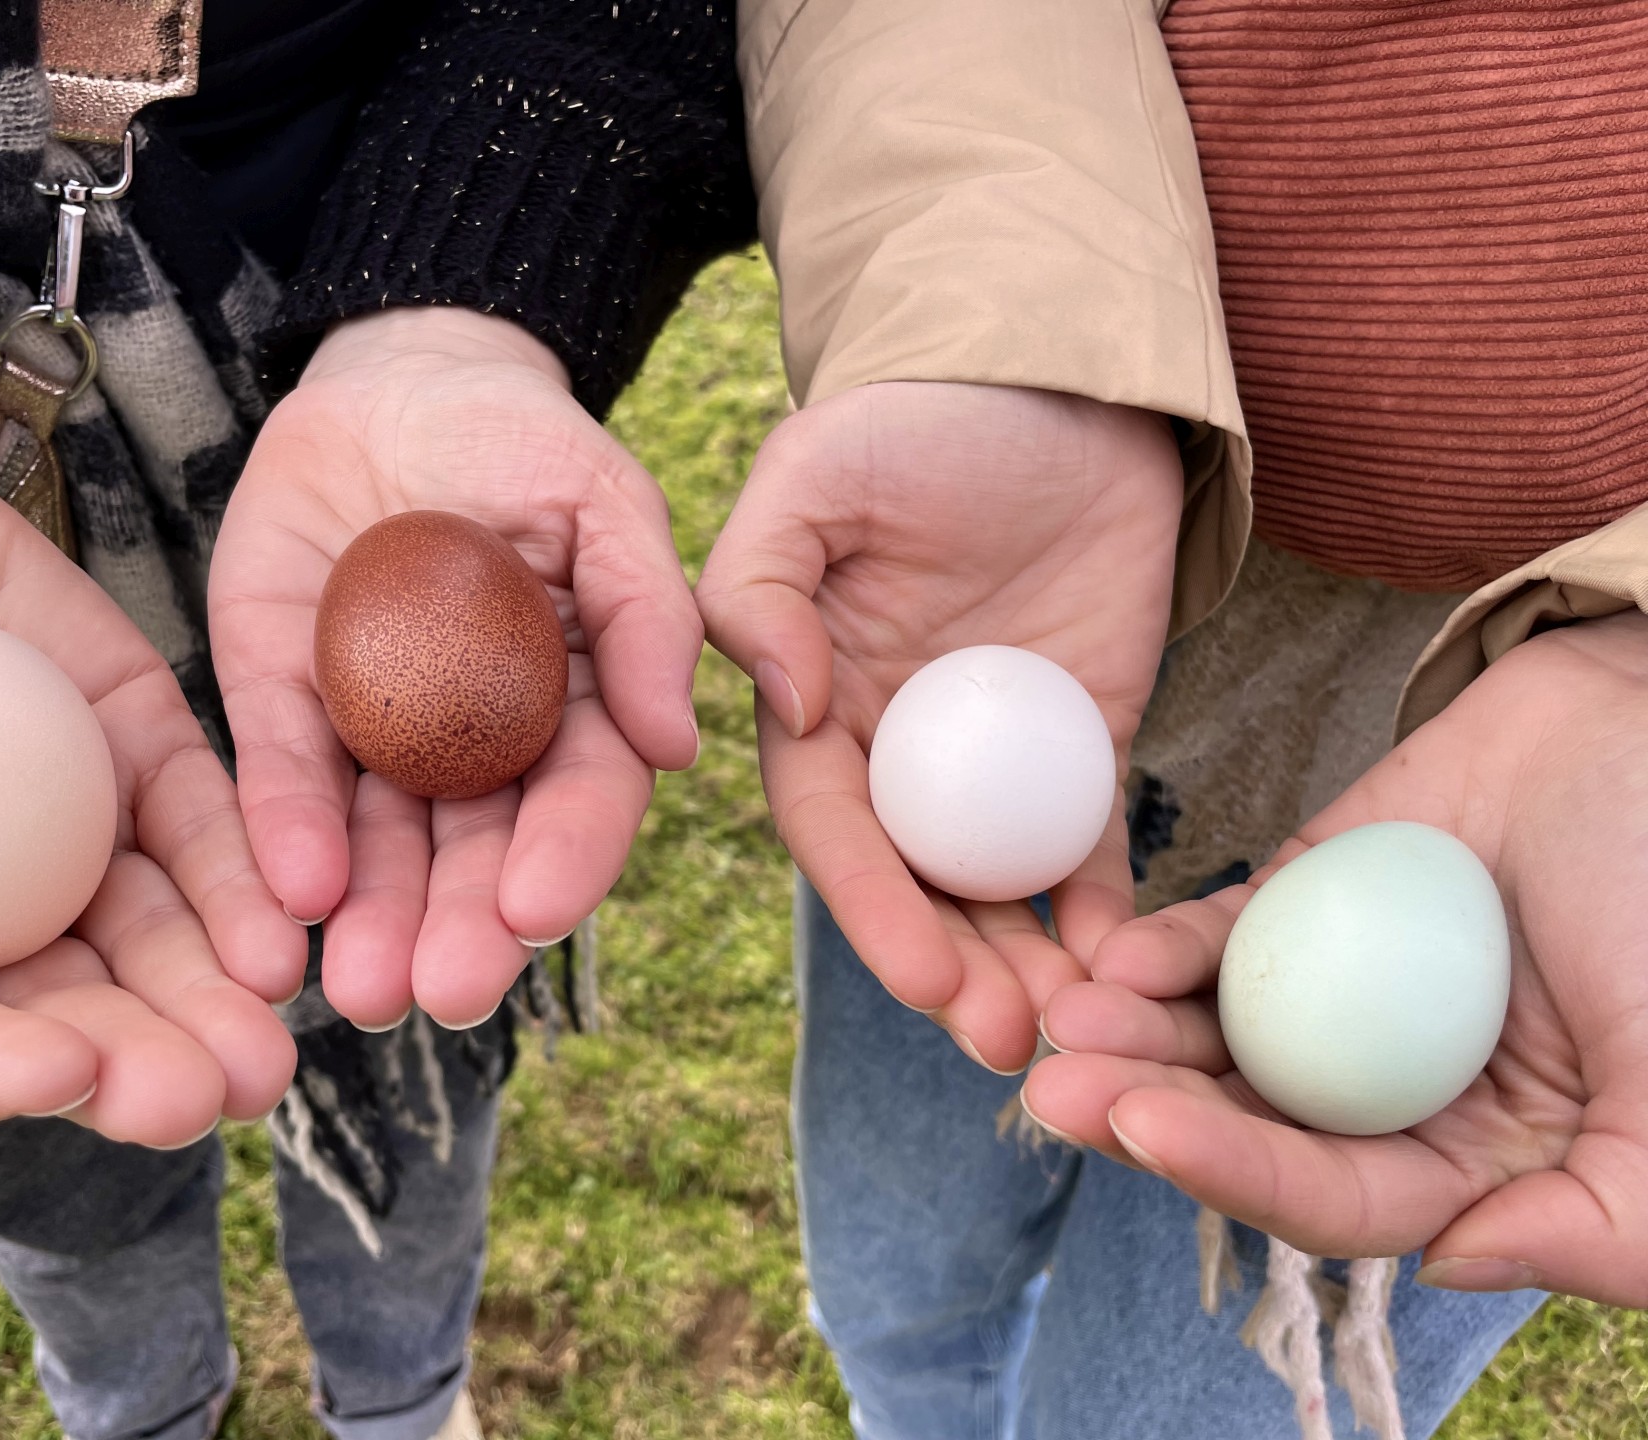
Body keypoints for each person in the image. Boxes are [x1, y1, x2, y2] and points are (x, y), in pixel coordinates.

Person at [0, 2, 753, 1437]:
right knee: (54, 1135)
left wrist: (467, 299)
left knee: (407, 1056)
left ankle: (402, 1395)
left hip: (360, 376)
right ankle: (142, 1401)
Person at [702, 0, 1648, 1435]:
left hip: (1553, 717)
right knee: (900, 1285)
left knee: (1171, 1407)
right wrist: (1004, 325)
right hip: (1029, 581)